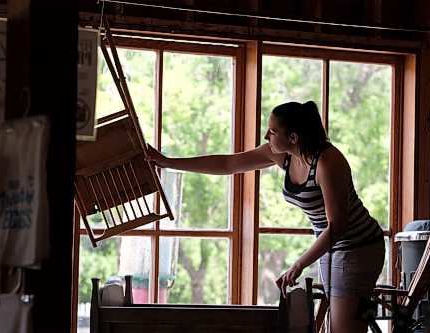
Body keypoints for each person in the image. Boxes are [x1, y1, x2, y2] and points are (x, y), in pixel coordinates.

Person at [145, 101, 385, 332]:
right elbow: (228, 163)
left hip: (359, 246)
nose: (266, 137)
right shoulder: (283, 155)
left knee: (345, 329)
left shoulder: (328, 162)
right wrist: (168, 162)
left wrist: (298, 265)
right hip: (332, 246)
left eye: (272, 131)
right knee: (337, 324)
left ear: (293, 138)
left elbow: (337, 226)